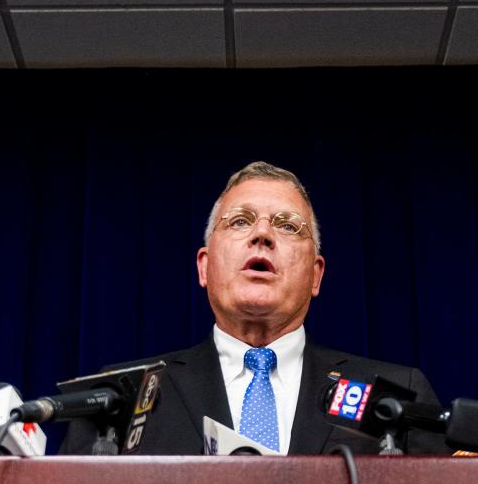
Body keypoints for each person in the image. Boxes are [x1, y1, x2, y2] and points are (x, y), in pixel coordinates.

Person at [62, 161, 443, 455]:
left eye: (288, 226)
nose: (262, 234)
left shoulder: (392, 396)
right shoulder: (119, 399)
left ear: (316, 275)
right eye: (240, 221)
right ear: (204, 266)